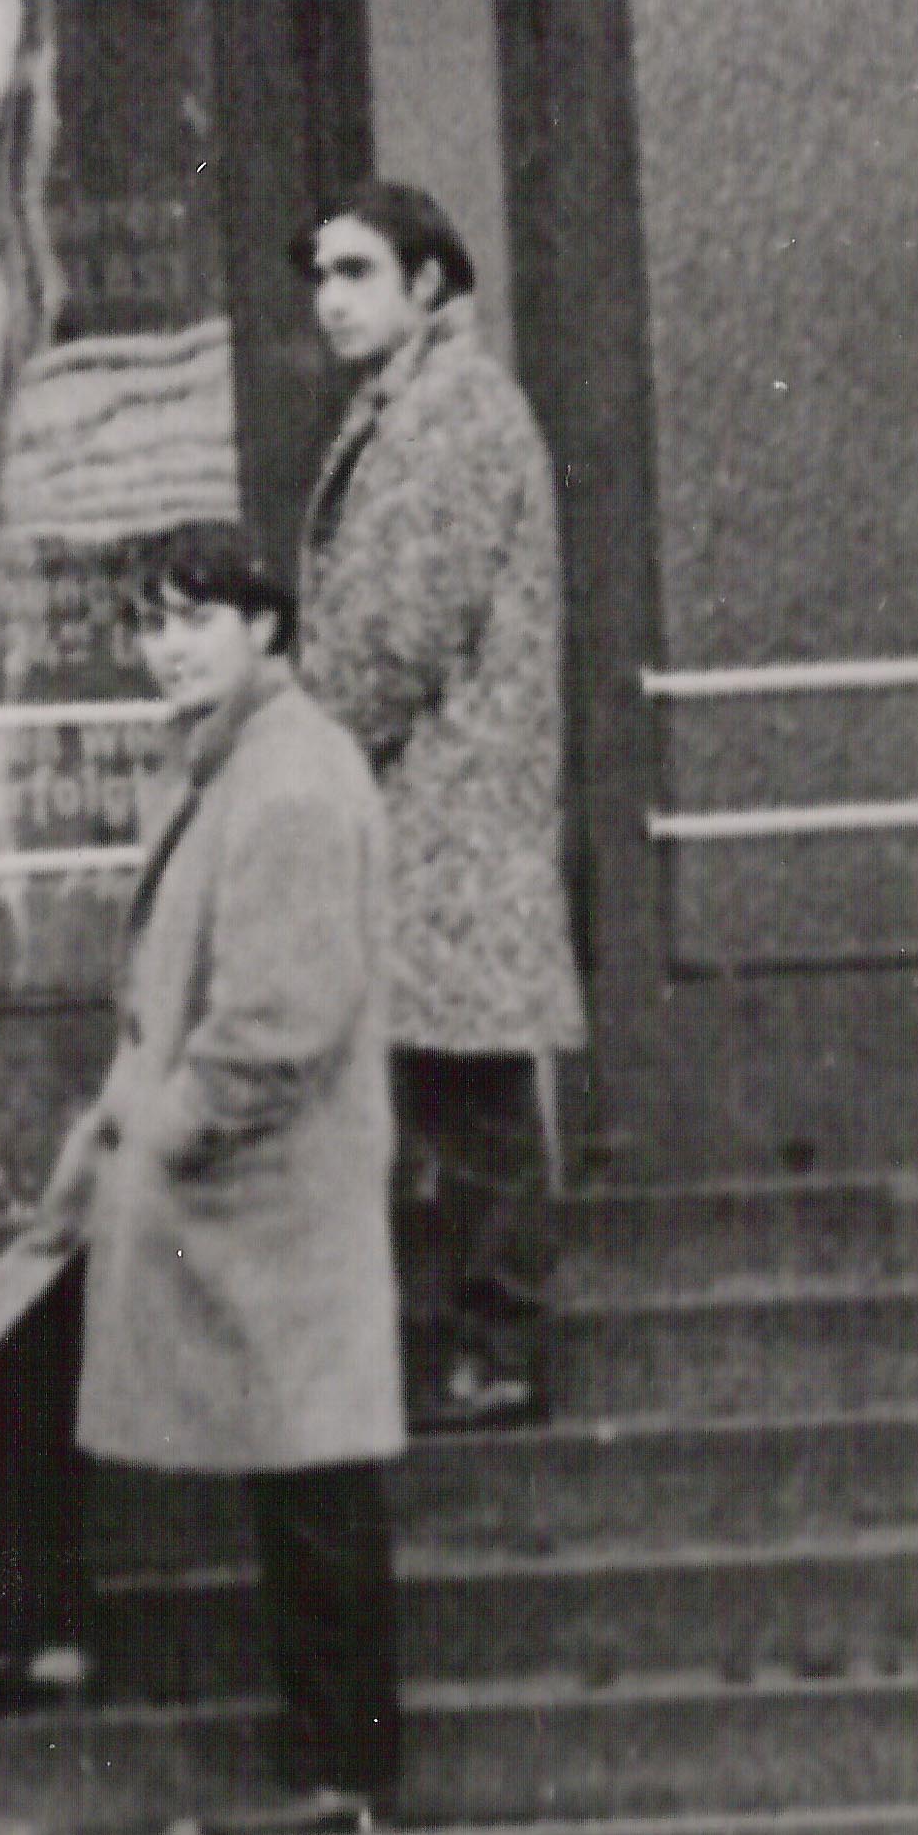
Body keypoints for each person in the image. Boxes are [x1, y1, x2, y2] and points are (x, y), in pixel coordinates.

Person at [0, 520, 403, 1834]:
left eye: (198, 618)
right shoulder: (235, 762)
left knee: (314, 1468)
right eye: (152, 622)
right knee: (21, 1341)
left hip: (257, 1187)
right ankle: (30, 1635)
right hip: (190, 1176)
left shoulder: (290, 779)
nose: (166, 646)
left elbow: (279, 1023)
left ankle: (343, 1770)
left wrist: (167, 1132)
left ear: (269, 633)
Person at [292, 177, 575, 1436]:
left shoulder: (453, 413)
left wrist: (292, 752)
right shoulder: (413, 407)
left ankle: (497, 1345)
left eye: (357, 273)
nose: (328, 300)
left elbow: (397, 631)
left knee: (467, 1084)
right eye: (321, 276)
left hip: (444, 797)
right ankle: (473, 1339)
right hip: (425, 800)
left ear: (429, 286)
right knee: (449, 1073)